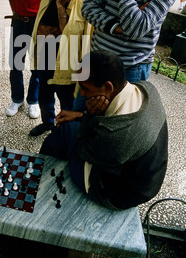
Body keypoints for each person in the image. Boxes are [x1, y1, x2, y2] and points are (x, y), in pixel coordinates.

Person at [40, 51, 168, 210]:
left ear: (108, 87)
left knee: (62, 133)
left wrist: (92, 115)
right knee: (70, 126)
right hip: (143, 180)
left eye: (85, 87)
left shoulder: (115, 135)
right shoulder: (147, 89)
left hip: (112, 194)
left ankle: (40, 184)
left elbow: (83, 147)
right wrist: (81, 115)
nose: (82, 93)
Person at [29, 0, 92, 136]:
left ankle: (65, 131)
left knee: (66, 98)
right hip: (45, 54)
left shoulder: (83, 3)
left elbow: (70, 37)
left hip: (66, 60)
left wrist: (60, 8)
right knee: (44, 93)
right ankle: (47, 123)